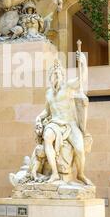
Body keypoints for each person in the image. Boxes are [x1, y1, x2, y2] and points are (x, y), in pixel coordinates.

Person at [35, 55, 92, 185]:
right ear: (50, 77)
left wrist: (83, 64)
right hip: (54, 124)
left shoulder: (67, 87)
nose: (56, 76)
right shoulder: (48, 93)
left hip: (70, 124)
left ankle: (81, 174)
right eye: (54, 74)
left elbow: (82, 79)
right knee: (47, 137)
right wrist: (38, 117)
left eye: (58, 73)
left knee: (79, 149)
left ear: (62, 75)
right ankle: (55, 173)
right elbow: (47, 111)